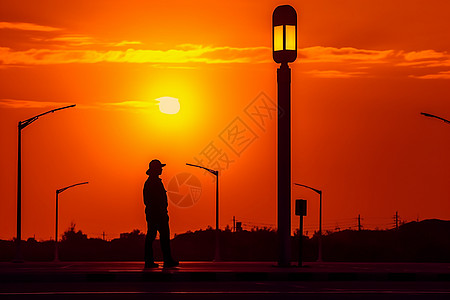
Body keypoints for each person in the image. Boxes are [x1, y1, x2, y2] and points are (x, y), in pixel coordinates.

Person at [143, 159, 179, 268]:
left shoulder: (154, 181)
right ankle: (153, 261)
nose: (161, 169)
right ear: (155, 169)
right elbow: (151, 200)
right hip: (156, 214)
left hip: (158, 213)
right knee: (153, 236)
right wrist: (160, 211)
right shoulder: (152, 183)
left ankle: (165, 260)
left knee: (162, 237)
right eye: (159, 167)